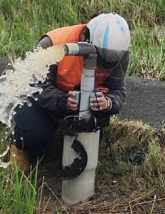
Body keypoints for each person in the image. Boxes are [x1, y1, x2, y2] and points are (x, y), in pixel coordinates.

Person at [10, 12, 130, 170]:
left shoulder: (118, 55)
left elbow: (118, 91)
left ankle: (68, 152)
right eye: (102, 59)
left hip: (80, 105)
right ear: (85, 39)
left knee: (94, 123)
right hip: (43, 105)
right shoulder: (53, 43)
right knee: (33, 133)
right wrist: (64, 101)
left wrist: (107, 103)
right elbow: (34, 87)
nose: (103, 65)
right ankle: (19, 147)